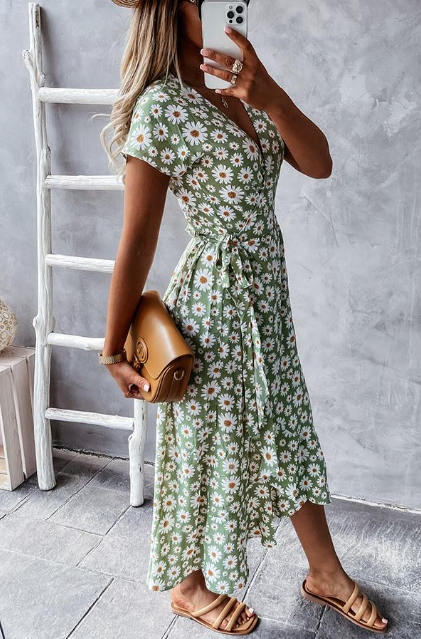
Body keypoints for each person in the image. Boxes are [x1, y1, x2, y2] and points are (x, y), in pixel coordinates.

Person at [99, 0, 389, 634]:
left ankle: (325, 573)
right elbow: (138, 238)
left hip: (266, 302)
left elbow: (320, 162)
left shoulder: (244, 83)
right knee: (204, 443)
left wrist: (271, 95)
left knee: (287, 427)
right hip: (213, 304)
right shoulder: (162, 107)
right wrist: (112, 348)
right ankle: (187, 586)